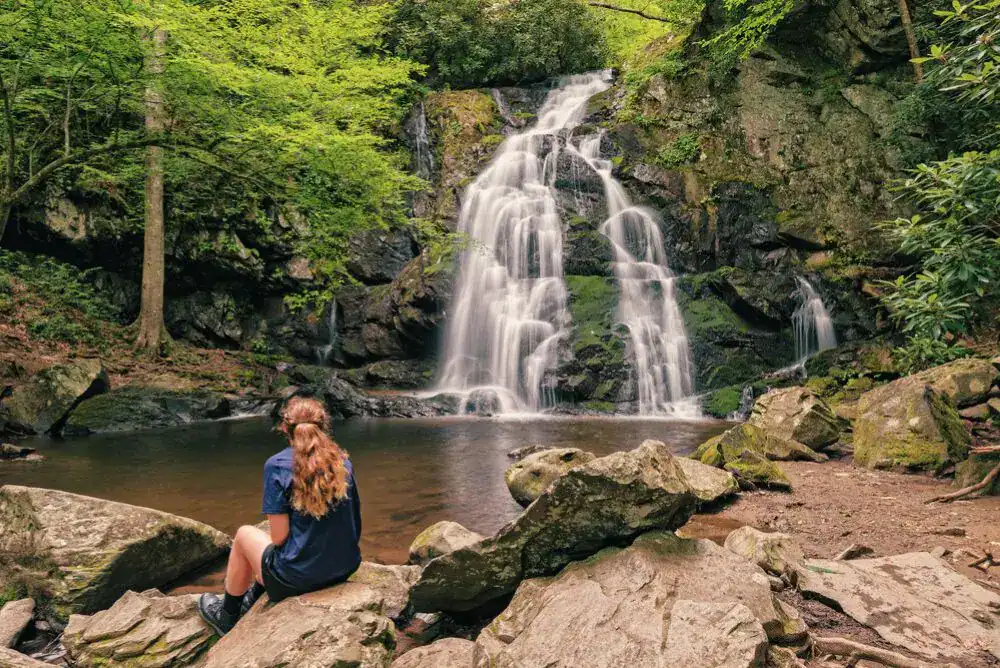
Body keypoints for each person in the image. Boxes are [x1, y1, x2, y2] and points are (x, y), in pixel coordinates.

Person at [198, 396, 362, 635]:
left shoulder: (277, 465)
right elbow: (354, 523)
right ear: (324, 424)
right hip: (345, 566)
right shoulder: (343, 463)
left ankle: (227, 616)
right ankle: (254, 594)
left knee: (245, 534)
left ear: (285, 427)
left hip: (299, 579)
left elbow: (279, 538)